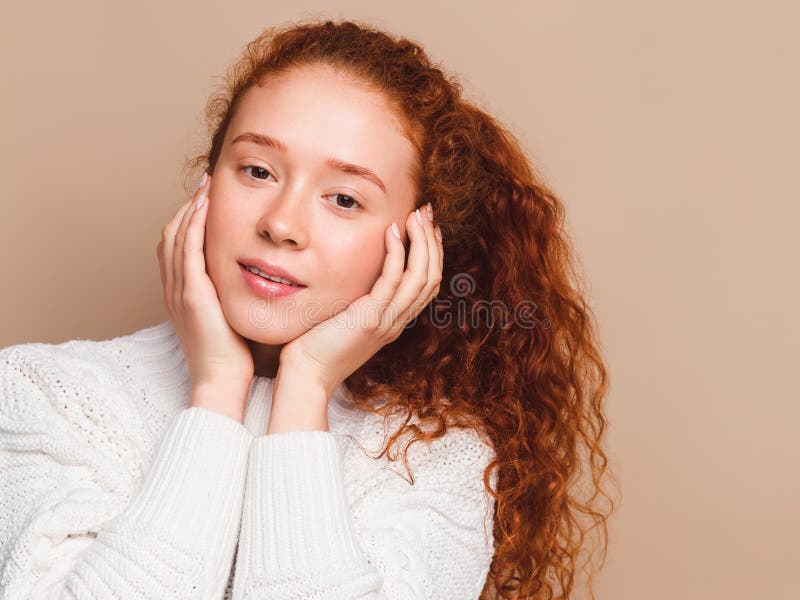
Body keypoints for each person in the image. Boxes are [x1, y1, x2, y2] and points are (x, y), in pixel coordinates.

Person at [0, 18, 614, 600]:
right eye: (258, 170)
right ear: (207, 183)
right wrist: (216, 390)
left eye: (345, 199)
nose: (282, 224)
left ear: (417, 244)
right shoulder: (42, 394)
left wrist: (305, 387)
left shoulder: (438, 457)